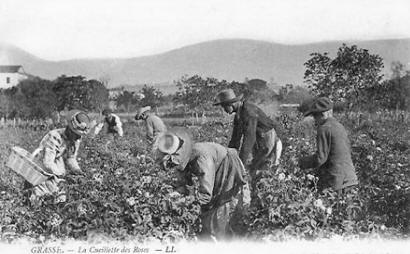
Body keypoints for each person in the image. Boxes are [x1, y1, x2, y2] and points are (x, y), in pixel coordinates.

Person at [156, 128, 250, 240]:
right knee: (209, 213)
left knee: (222, 209)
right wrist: (174, 195)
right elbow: (184, 183)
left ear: (176, 155)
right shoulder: (185, 157)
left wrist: (187, 203)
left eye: (171, 163)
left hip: (229, 168)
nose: (172, 167)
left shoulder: (201, 159)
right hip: (217, 170)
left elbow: (205, 194)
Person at [213, 89, 283, 197]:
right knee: (254, 169)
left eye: (224, 106)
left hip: (268, 140)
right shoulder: (238, 115)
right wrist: (229, 157)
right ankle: (256, 196)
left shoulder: (248, 112)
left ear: (231, 103)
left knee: (265, 169)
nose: (224, 110)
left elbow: (249, 139)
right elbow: (235, 139)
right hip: (259, 141)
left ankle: (271, 196)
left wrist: (240, 163)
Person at [27, 110, 91, 204]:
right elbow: (47, 162)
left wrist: (77, 171)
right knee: (45, 191)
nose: (78, 138)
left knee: (60, 193)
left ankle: (55, 206)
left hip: (56, 162)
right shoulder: (55, 136)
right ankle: (35, 206)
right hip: (41, 164)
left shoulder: (75, 140)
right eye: (76, 135)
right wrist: (61, 175)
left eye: (80, 136)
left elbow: (70, 157)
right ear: (69, 129)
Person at [298, 97, 358, 193]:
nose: (314, 120)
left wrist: (301, 162)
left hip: (336, 181)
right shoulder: (340, 126)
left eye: (315, 116)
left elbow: (320, 159)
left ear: (322, 115)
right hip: (350, 178)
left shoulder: (324, 128)